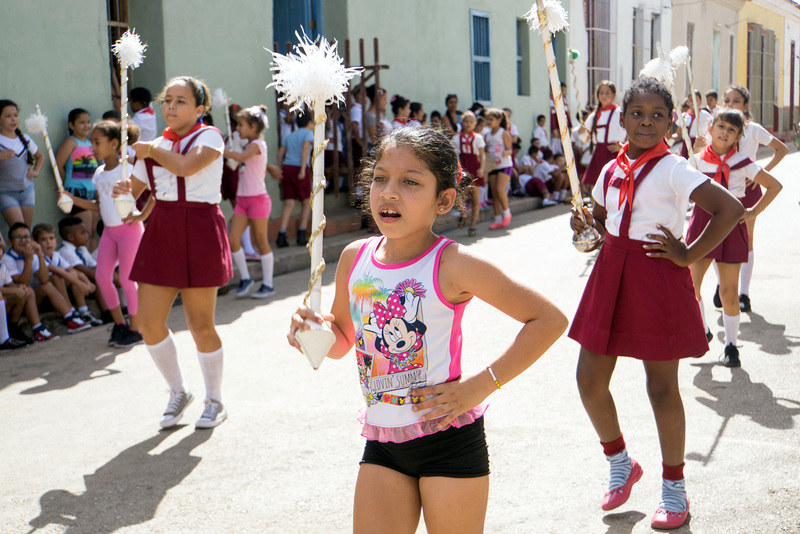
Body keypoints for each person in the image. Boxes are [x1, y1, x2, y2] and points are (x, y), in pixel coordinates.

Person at [288, 126, 567, 533]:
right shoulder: (354, 258)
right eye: (380, 177)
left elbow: (548, 320)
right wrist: (309, 334)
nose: (389, 191)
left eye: (410, 181)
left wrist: (480, 386)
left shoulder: (452, 263)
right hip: (382, 444)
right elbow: (343, 342)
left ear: (444, 200)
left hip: (448, 444)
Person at [568, 78, 743, 530]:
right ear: (621, 118)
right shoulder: (610, 170)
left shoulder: (674, 168)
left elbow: (729, 209)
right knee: (588, 379)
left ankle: (674, 487)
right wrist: (584, 226)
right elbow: (605, 227)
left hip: (655, 276)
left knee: (661, 388)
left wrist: (688, 254)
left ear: (671, 120)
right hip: (611, 273)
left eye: (657, 115)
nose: (646, 122)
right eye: (637, 114)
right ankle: (621, 461)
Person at [114, 75, 233, 429]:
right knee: (147, 322)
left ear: (200, 109)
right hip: (162, 229)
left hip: (200, 228)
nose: (171, 106)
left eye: (180, 101)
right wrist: (124, 192)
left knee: (200, 324)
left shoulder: (209, 136)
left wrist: (148, 150)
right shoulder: (155, 145)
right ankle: (178, 391)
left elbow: (184, 167)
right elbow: (136, 190)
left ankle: (215, 400)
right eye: (167, 99)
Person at [686, 109, 782, 367]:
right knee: (690, 287)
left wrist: (752, 212)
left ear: (739, 136)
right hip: (701, 225)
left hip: (730, 226)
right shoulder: (694, 161)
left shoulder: (743, 162)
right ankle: (701, 330)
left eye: (731, 130)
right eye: (721, 126)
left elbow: (775, 186)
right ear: (710, 128)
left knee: (729, 292)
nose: (724, 132)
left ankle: (731, 346)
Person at [64, 120, 145, 347]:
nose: (93, 147)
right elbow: (99, 205)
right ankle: (120, 325)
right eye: (92, 142)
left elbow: (153, 194)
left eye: (97, 142)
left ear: (114, 143)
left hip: (129, 231)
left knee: (129, 282)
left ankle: (136, 328)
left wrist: (141, 215)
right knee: (101, 278)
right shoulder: (99, 173)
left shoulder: (128, 168)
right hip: (109, 232)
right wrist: (73, 200)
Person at [719, 85, 788, 312]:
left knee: (746, 239)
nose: (730, 105)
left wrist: (760, 172)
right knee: (717, 239)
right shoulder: (718, 127)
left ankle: (744, 293)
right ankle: (722, 285)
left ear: (746, 106)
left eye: (736, 101)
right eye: (727, 100)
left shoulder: (754, 129)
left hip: (747, 189)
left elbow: (781, 149)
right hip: (722, 188)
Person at [223, 105, 277, 299]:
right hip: (242, 200)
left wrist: (222, 150)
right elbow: (238, 158)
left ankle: (268, 284)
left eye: (241, 125)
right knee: (233, 239)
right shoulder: (246, 145)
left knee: (262, 242)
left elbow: (242, 158)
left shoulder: (257, 145)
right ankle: (246, 279)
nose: (237, 128)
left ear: (254, 127)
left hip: (258, 200)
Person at [3, 222, 92, 337]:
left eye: (26, 237)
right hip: (20, 301)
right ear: (9, 242)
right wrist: (28, 261)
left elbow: (44, 279)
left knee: (47, 285)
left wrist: (39, 256)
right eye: (18, 237)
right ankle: (38, 330)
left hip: (36, 298)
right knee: (31, 289)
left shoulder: (32, 255)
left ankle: (70, 318)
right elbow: (23, 283)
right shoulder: (8, 259)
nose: (23, 240)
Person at [33, 222, 103, 328]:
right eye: (43, 239)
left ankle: (83, 312)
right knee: (57, 277)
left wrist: (87, 283)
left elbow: (74, 272)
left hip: (57, 295)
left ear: (56, 241)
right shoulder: (36, 257)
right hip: (41, 300)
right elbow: (57, 271)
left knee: (72, 274)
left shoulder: (56, 255)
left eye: (51, 238)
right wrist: (82, 284)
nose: (48, 242)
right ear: (36, 243)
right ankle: (70, 311)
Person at [55, 108, 100, 251]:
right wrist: (65, 186)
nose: (86, 125)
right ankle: (84, 262)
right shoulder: (71, 142)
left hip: (92, 192)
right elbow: (58, 165)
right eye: (81, 122)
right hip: (76, 192)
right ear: (71, 125)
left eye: (88, 122)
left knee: (92, 232)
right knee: (84, 231)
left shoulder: (91, 143)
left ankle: (92, 263)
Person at [0, 100, 44, 229]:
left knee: (26, 232)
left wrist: (36, 171)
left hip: (27, 190)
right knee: (19, 231)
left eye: (15, 115)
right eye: (8, 116)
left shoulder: (25, 138)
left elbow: (41, 157)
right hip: (5, 192)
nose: (13, 119)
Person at [276, 111, 314, 248]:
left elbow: (281, 152)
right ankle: (301, 233)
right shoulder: (309, 134)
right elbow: (305, 148)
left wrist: (280, 168)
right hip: (299, 168)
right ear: (310, 123)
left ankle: (281, 234)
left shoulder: (290, 135)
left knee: (289, 203)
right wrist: (303, 168)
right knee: (306, 202)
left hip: (287, 168)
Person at [580, 81, 625, 193]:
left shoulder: (620, 112)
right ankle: (595, 210)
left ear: (614, 95)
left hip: (614, 152)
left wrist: (623, 147)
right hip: (598, 153)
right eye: (601, 93)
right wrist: (581, 132)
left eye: (607, 93)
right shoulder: (594, 115)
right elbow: (585, 139)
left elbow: (630, 132)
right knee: (595, 187)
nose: (604, 96)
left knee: (613, 186)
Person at [450, 111, 485, 237]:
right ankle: (463, 214)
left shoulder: (478, 138)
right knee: (459, 195)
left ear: (474, 124)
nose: (468, 124)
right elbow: (455, 155)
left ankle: (473, 225)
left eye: (471, 121)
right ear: (462, 122)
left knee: (475, 199)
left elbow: (482, 154)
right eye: (466, 121)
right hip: (463, 167)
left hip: (475, 167)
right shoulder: (456, 138)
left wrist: (482, 168)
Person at [484, 108, 513, 230]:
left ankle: (506, 213)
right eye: (488, 119)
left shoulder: (503, 133)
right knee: (494, 194)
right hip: (493, 167)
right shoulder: (487, 135)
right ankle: (497, 219)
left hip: (505, 165)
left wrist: (506, 153)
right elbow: (485, 151)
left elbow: (510, 149)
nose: (489, 121)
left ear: (498, 120)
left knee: (500, 189)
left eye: (491, 119)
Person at [673, 91, 712, 160]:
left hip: (699, 145)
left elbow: (712, 130)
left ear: (700, 101)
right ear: (688, 101)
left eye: (696, 100)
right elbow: (678, 134)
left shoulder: (706, 115)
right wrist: (670, 138)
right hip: (686, 147)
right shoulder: (684, 116)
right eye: (691, 100)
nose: (693, 102)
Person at [549, 83, 572, 155]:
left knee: (565, 133)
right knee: (556, 133)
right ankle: (555, 151)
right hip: (555, 116)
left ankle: (563, 150)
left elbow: (567, 108)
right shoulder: (551, 99)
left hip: (564, 114)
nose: (563, 92)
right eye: (562, 90)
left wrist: (570, 119)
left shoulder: (565, 98)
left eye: (564, 90)